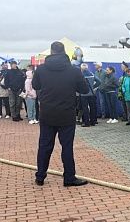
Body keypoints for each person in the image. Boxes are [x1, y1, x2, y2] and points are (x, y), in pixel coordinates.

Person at [32, 41, 89, 187]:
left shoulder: (41, 69)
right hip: (66, 113)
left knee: (44, 146)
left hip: (47, 113)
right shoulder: (74, 70)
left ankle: (40, 176)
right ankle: (69, 177)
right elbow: (84, 89)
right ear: (64, 52)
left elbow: (35, 85)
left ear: (51, 52)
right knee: (67, 147)